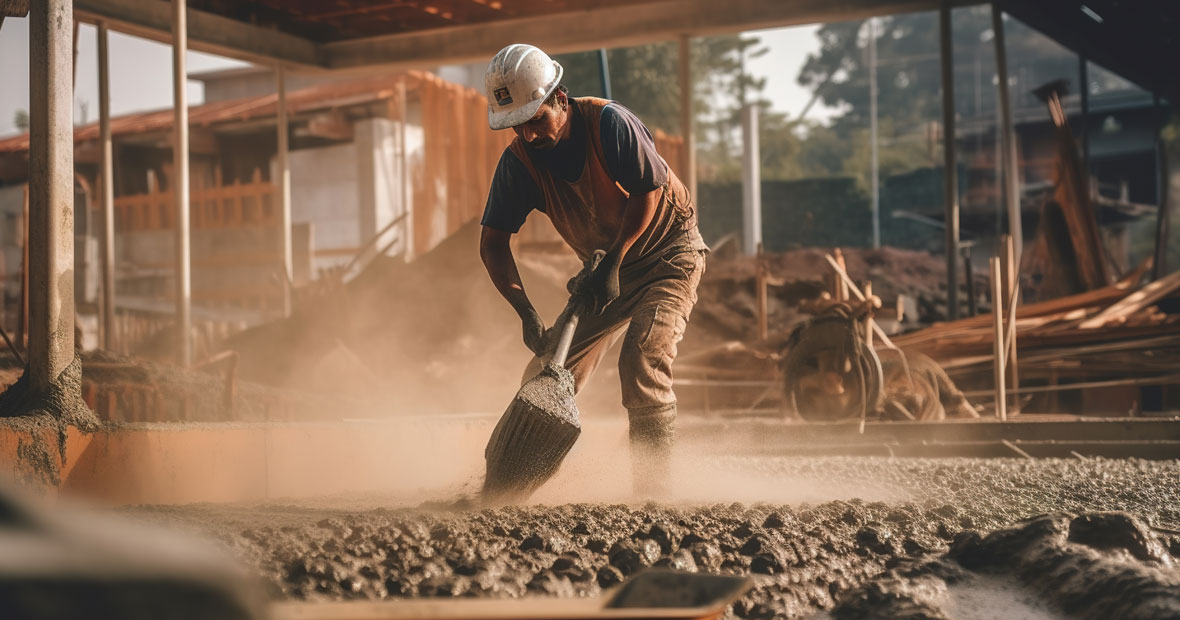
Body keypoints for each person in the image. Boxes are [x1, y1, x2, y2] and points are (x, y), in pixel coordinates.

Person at [478, 44, 708, 495]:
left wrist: (616, 260)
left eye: (536, 120)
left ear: (559, 99)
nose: (528, 136)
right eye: (515, 126)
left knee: (642, 357)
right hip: (606, 270)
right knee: (543, 372)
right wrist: (525, 311)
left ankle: (653, 493)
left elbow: (649, 190)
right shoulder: (519, 164)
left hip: (668, 256)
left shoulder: (609, 124)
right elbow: (492, 244)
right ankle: (509, 491)